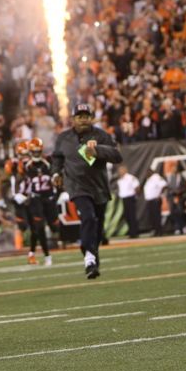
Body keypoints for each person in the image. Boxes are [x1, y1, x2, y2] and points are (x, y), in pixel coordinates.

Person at [51, 104, 122, 279]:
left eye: (86, 116)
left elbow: (117, 156)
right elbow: (57, 158)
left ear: (91, 118)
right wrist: (55, 173)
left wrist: (97, 151)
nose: (83, 119)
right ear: (73, 119)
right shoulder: (64, 138)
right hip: (76, 186)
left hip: (98, 187)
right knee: (89, 217)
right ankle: (89, 257)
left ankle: (92, 257)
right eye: (79, 116)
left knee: (98, 227)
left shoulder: (101, 135)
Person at [20, 138, 55, 265]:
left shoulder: (48, 162)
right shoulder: (26, 166)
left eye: (38, 151)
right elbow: (23, 182)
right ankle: (46, 255)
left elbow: (55, 177)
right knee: (38, 227)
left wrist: (59, 191)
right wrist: (21, 194)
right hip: (34, 200)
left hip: (49, 198)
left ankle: (32, 253)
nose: (36, 154)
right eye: (33, 152)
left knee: (54, 227)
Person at [141, 165, 168, 237]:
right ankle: (156, 231)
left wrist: (159, 195)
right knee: (152, 217)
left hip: (155, 199)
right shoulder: (148, 179)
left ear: (151, 171)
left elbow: (164, 185)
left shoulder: (156, 177)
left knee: (157, 216)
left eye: (147, 172)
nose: (146, 174)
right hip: (150, 200)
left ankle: (160, 231)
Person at [116, 166, 140, 239]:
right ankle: (131, 232)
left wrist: (136, 196)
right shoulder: (119, 180)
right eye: (119, 171)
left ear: (125, 170)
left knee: (132, 216)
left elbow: (137, 187)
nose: (120, 172)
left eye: (121, 170)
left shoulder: (130, 178)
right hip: (124, 199)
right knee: (127, 216)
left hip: (130, 198)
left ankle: (135, 233)